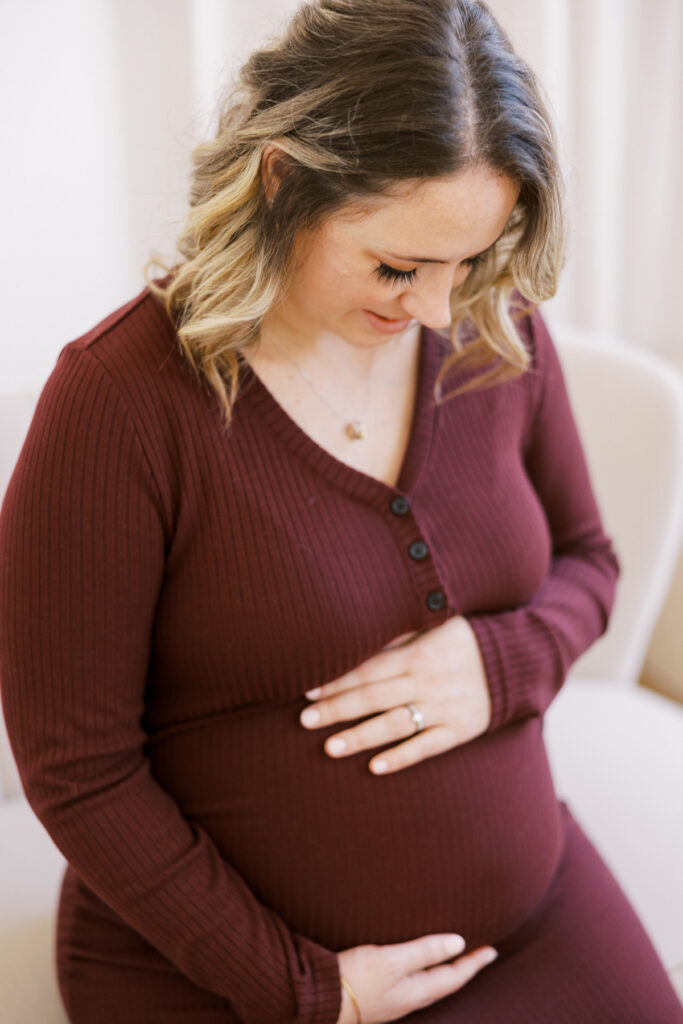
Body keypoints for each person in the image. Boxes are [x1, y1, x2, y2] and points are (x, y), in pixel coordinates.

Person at [0, 0, 681, 1021]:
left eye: (469, 260)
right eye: (397, 265)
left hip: (525, 920)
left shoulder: (496, 331)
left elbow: (588, 559)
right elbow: (78, 769)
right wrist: (307, 989)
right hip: (223, 976)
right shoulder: (121, 402)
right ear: (282, 183)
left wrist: (500, 664)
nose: (440, 310)